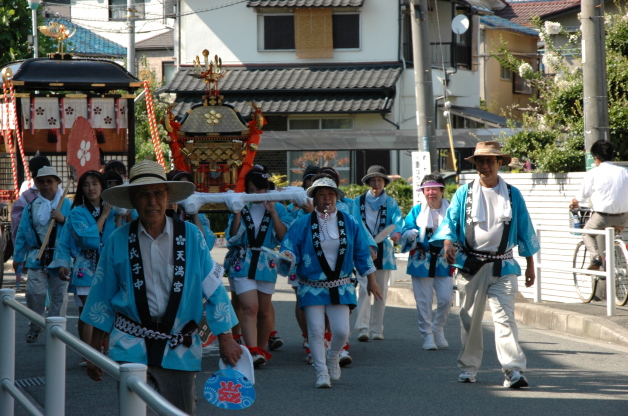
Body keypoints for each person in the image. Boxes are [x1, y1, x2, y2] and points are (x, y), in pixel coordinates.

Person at [80, 160, 241, 415]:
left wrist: (227, 337)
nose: (151, 201)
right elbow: (102, 295)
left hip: (179, 342)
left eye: (157, 193)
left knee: (180, 410)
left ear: (168, 198)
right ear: (133, 200)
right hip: (130, 343)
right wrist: (93, 350)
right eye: (143, 194)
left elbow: (213, 286)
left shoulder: (191, 235)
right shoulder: (117, 240)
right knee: (133, 411)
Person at [430, 141, 539, 389]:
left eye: (490, 160)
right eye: (480, 161)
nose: (485, 165)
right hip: (471, 264)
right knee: (470, 318)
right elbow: (450, 222)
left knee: (505, 318)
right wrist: (448, 243)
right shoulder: (463, 193)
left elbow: (525, 230)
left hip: (504, 266)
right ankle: (469, 367)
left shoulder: (513, 194)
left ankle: (513, 369)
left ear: (500, 163)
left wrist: (530, 265)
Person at [278, 177, 382, 388]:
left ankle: (333, 355)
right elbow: (288, 246)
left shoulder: (349, 222)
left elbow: (362, 252)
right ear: (314, 199)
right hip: (311, 285)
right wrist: (288, 255)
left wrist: (371, 280)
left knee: (342, 331)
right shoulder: (302, 223)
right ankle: (321, 372)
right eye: (322, 195)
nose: (327, 199)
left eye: (331, 194)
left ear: (337, 197)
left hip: (341, 285)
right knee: (315, 330)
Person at [224, 164, 291, 367]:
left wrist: (273, 213)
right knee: (249, 306)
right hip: (242, 260)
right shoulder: (240, 205)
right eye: (251, 190)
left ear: (266, 188)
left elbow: (283, 237)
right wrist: (236, 214)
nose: (255, 194)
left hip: (266, 261)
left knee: (263, 310)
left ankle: (260, 350)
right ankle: (251, 349)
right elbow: (232, 237)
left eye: (259, 189)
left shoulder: (277, 206)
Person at [49, 171, 118, 365]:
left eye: (95, 184)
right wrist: (103, 216)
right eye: (86, 185)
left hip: (110, 267)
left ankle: (103, 348)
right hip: (84, 268)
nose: (91, 188)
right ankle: (88, 354)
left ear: (103, 186)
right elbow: (84, 239)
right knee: (88, 311)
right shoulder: (78, 212)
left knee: (108, 309)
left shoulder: (115, 210)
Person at [13, 166, 72, 343]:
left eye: (50, 181)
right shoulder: (30, 207)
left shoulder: (68, 204)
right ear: (36, 184)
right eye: (42, 181)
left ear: (57, 183)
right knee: (33, 293)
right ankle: (35, 324)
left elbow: (77, 229)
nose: (46, 185)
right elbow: (22, 233)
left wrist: (63, 219)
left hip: (60, 257)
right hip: (36, 257)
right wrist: (17, 258)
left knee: (59, 297)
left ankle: (56, 330)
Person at [401, 174, 453, 351]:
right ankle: (427, 335)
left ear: (442, 190)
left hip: (444, 259)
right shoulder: (417, 210)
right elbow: (406, 228)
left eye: (434, 189)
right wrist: (409, 234)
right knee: (423, 301)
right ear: (423, 192)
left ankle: (438, 328)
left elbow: (459, 230)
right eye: (427, 189)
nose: (431, 193)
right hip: (421, 258)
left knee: (446, 299)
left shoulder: (452, 210)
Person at [352, 165, 403, 342]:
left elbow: (397, 221)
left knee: (381, 291)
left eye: (379, 180)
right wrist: (366, 243)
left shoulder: (391, 203)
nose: (376, 183)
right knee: (365, 289)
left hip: (385, 250)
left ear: (384, 183)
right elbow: (354, 224)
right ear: (367, 182)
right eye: (372, 180)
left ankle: (377, 329)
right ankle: (363, 328)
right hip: (363, 249)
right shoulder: (357, 202)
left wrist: (397, 232)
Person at [569, 139, 628, 270]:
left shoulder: (593, 173)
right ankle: (611, 259)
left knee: (587, 233)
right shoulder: (625, 172)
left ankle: (596, 258)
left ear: (595, 158)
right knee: (610, 236)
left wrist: (573, 203)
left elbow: (580, 196)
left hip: (602, 218)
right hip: (623, 218)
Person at [11, 155, 51, 244]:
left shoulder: (59, 194)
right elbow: (19, 225)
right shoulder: (26, 197)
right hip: (36, 249)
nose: (45, 184)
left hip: (52, 249)